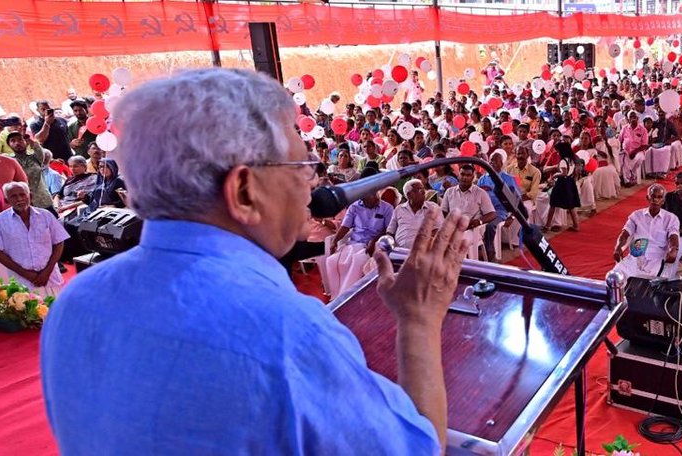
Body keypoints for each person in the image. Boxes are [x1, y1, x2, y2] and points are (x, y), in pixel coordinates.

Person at [42, 69, 464, 454]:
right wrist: (419, 321)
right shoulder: (288, 334)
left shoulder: (76, 303)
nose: (312, 182)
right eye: (301, 165)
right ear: (244, 190)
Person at [325, 167, 395, 297]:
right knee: (332, 261)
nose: (365, 198)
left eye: (369, 195)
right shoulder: (355, 207)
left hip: (373, 245)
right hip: (354, 243)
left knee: (358, 260)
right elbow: (345, 227)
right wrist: (335, 241)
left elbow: (389, 230)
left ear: (375, 193)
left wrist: (374, 241)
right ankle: (337, 295)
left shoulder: (387, 208)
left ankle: (349, 296)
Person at [0, 182, 68, 295]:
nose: (19, 199)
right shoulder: (0, 221)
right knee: (28, 311)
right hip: (20, 282)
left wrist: (47, 271)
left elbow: (59, 242)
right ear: (6, 200)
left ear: (30, 196)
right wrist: (25, 273)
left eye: (22, 194)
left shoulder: (46, 215)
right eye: (13, 196)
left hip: (50, 278)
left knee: (56, 310)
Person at [611, 184, 680, 279]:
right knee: (615, 276)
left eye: (659, 197)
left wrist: (673, 249)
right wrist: (618, 247)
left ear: (663, 201)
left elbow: (673, 236)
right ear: (648, 197)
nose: (655, 200)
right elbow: (625, 233)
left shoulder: (671, 218)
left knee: (645, 284)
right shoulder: (636, 215)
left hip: (656, 259)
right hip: (635, 256)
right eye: (653, 196)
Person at [442, 165, 496, 257]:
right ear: (458, 175)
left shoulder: (480, 193)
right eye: (462, 174)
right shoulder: (449, 192)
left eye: (468, 175)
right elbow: (443, 211)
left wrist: (478, 221)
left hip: (472, 229)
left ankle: (461, 266)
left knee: (457, 241)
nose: (465, 177)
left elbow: (492, 214)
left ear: (473, 177)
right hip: (453, 226)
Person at [477, 150, 521, 261]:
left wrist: (512, 216)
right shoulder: (483, 179)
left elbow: (517, 200)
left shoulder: (508, 179)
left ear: (501, 163)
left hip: (500, 210)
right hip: (483, 210)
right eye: (490, 161)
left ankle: (490, 250)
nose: (492, 163)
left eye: (495, 161)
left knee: (490, 225)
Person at [388, 179, 444, 249]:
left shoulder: (433, 207)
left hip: (424, 250)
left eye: (423, 189)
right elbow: (390, 232)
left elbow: (438, 231)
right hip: (399, 251)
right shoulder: (399, 209)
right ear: (409, 195)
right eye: (419, 190)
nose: (423, 192)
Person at [545, 142, 582, 232]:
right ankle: (576, 225)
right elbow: (574, 173)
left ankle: (547, 225)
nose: (557, 153)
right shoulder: (572, 160)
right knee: (571, 205)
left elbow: (563, 173)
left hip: (562, 183)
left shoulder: (563, 161)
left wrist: (555, 175)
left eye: (557, 151)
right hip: (569, 182)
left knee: (553, 204)